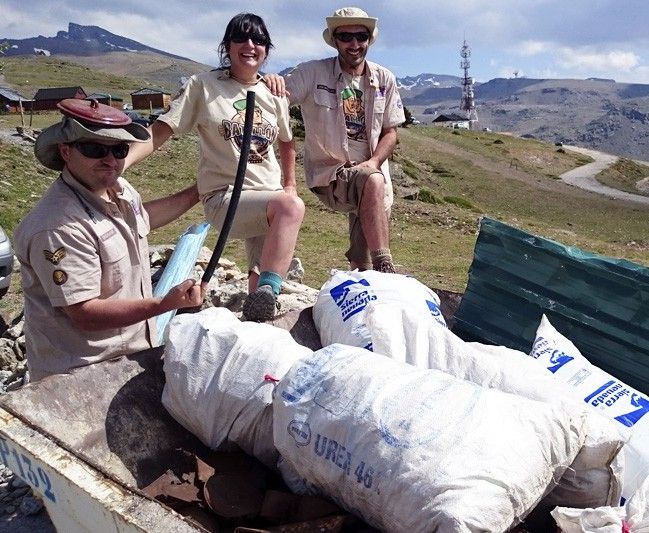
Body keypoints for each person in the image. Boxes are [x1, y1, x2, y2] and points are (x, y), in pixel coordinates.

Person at [126, 13, 304, 322]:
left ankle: (257, 323)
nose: (250, 45)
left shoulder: (272, 94)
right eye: (241, 38)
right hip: (228, 197)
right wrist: (122, 162)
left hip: (269, 197)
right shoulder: (203, 85)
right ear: (227, 46)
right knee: (290, 209)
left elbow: (287, 141)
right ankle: (270, 291)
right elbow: (161, 130)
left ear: (266, 50)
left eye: (259, 40)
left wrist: (290, 183)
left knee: (257, 279)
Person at [14, 99, 203, 381]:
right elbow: (85, 312)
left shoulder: (118, 188)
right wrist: (163, 304)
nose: (110, 160)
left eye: (119, 149)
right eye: (94, 149)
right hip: (79, 375)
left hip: (130, 356)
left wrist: (198, 192)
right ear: (66, 151)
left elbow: (142, 220)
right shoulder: (57, 227)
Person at [265, 6, 405, 273]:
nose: (354, 44)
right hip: (331, 173)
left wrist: (373, 162)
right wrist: (272, 80)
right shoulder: (313, 73)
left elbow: (391, 132)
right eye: (346, 37)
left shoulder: (384, 79)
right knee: (372, 182)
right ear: (335, 40)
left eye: (361, 37)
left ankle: (366, 279)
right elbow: (276, 97)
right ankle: (387, 268)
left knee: (363, 263)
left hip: (372, 175)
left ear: (369, 39)